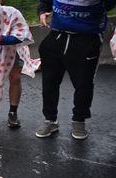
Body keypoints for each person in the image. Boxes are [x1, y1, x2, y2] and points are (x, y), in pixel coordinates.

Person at [35, 0, 115, 140]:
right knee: (49, 83)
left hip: (87, 39)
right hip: (57, 36)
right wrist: (42, 12)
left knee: (83, 84)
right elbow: (45, 2)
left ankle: (79, 120)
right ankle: (50, 120)